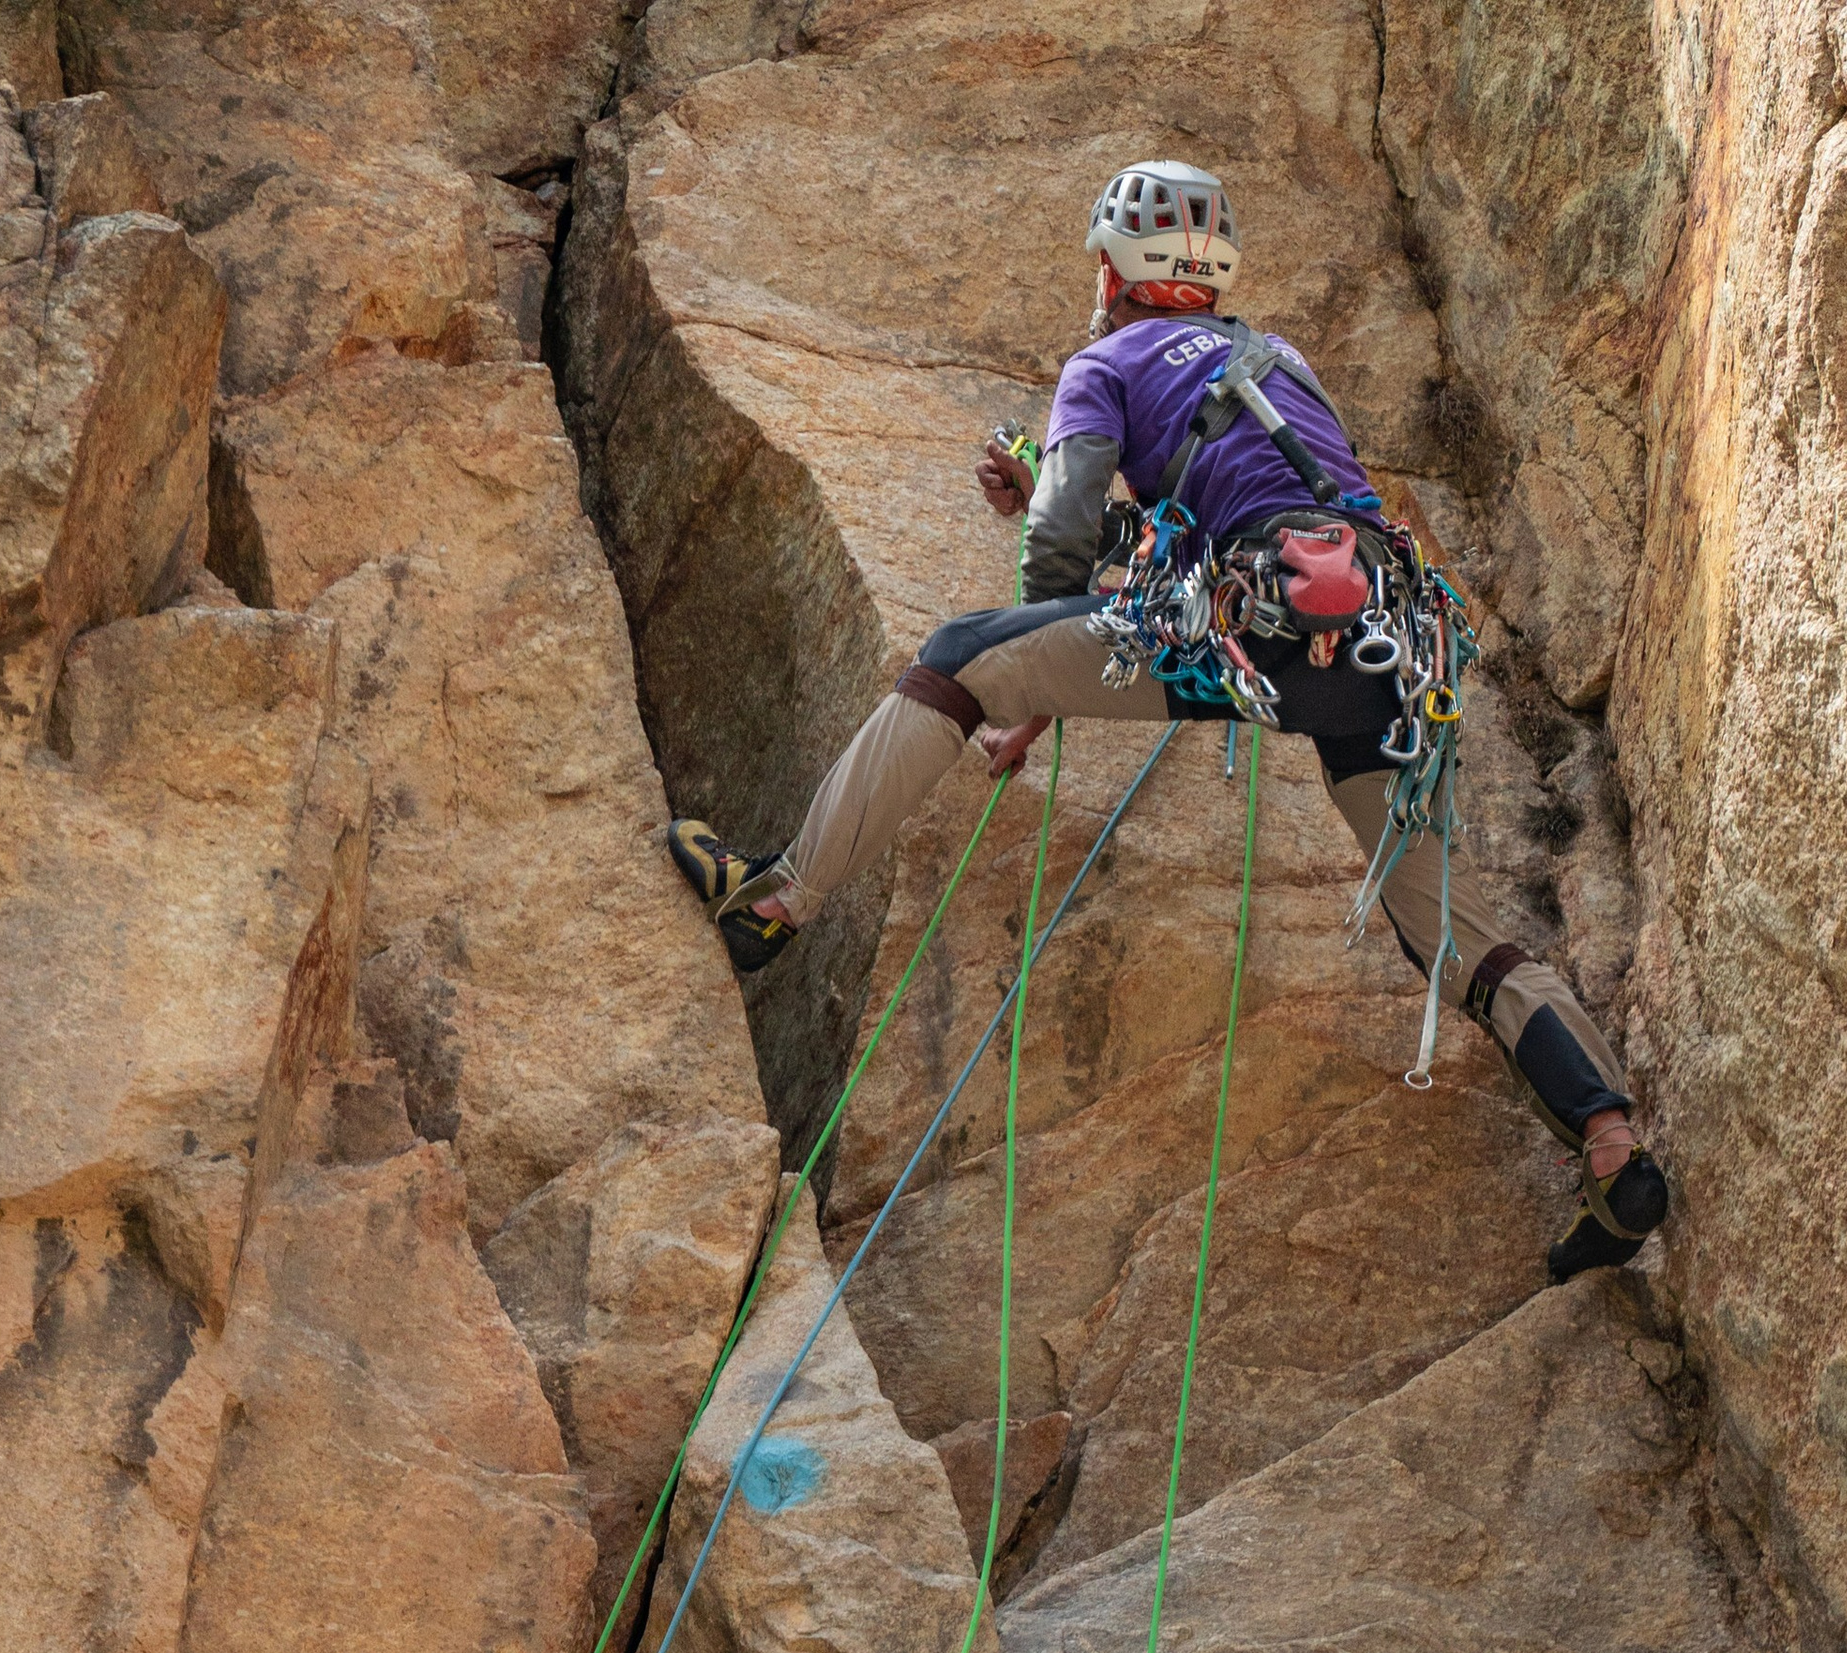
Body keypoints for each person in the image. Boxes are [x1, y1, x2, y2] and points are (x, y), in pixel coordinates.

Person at [667, 159, 1668, 1285]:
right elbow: (1226, 512)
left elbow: (1058, 539)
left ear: (1110, 270)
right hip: (1380, 649)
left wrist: (1029, 670)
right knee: (1447, 926)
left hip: (1251, 636)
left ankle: (777, 897)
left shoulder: (1102, 360)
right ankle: (1609, 1144)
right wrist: (1059, 651)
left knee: (954, 659)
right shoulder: (1281, 361)